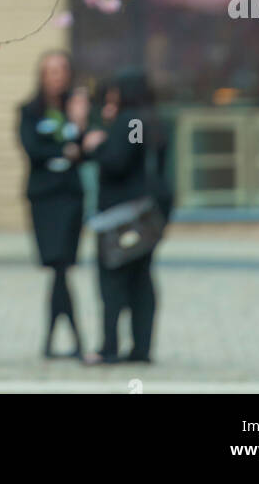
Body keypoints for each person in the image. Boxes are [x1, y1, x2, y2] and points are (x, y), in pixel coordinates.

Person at [82, 69, 171, 365]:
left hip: (121, 216)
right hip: (147, 215)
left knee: (112, 282)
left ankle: (109, 347)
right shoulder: (153, 121)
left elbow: (118, 161)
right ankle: (141, 348)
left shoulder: (130, 121)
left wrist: (96, 145)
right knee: (141, 281)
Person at [19, 51, 89, 358]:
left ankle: (57, 339)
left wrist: (79, 123)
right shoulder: (29, 111)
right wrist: (64, 148)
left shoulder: (78, 108)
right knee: (57, 266)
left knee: (63, 266)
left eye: (61, 70)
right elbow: (33, 149)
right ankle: (69, 338)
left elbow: (89, 148)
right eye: (50, 71)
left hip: (70, 196)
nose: (56, 77)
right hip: (44, 198)